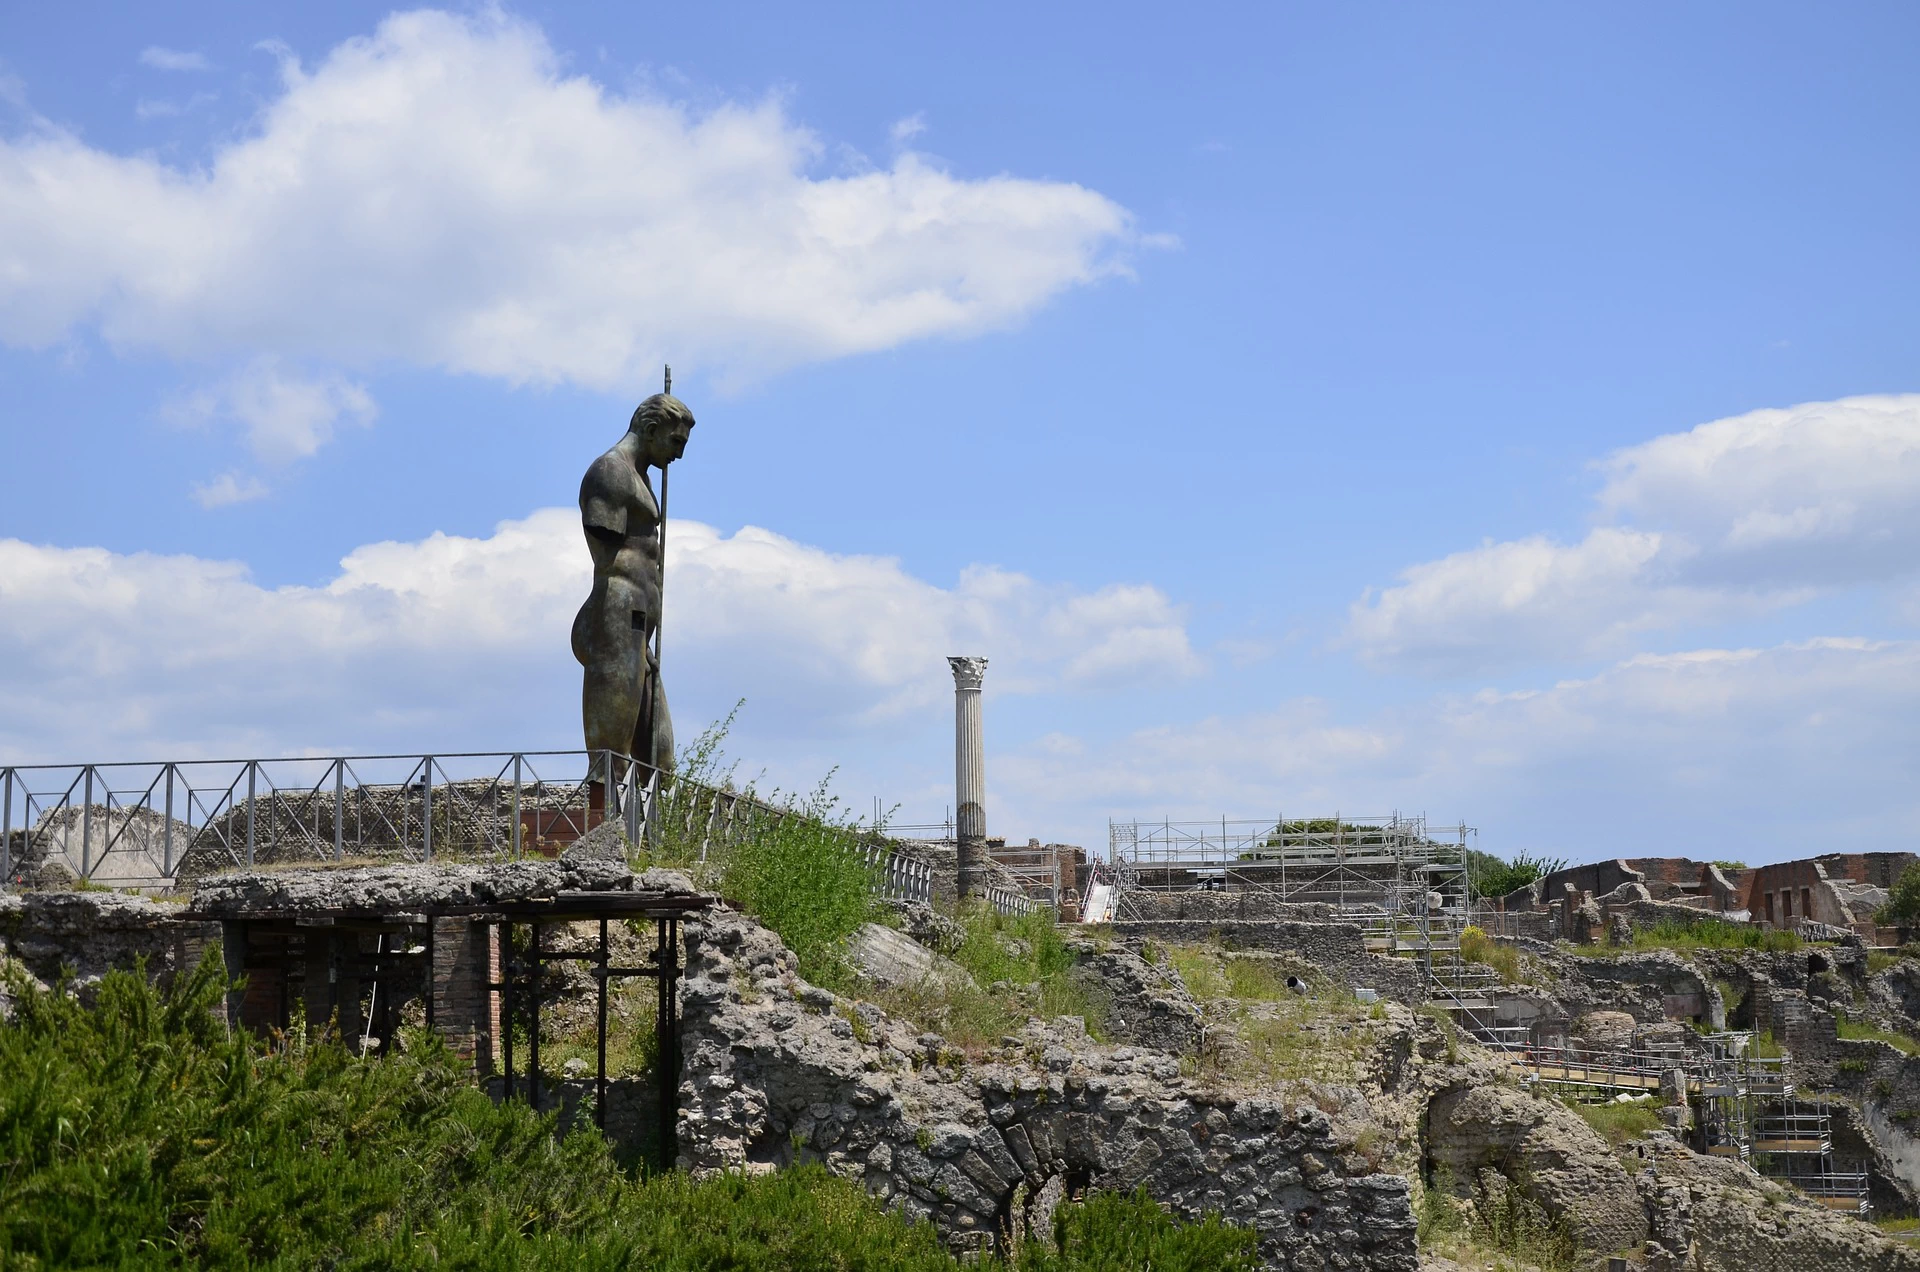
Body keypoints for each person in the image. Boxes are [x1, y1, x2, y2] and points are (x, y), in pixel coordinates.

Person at [571, 392, 694, 783]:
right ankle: (601, 834)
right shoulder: (611, 471)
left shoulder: (637, 476)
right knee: (610, 759)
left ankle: (649, 840)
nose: (678, 456)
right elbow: (608, 555)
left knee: (661, 757)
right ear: (652, 429)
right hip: (616, 620)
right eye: (676, 442)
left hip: (637, 629)